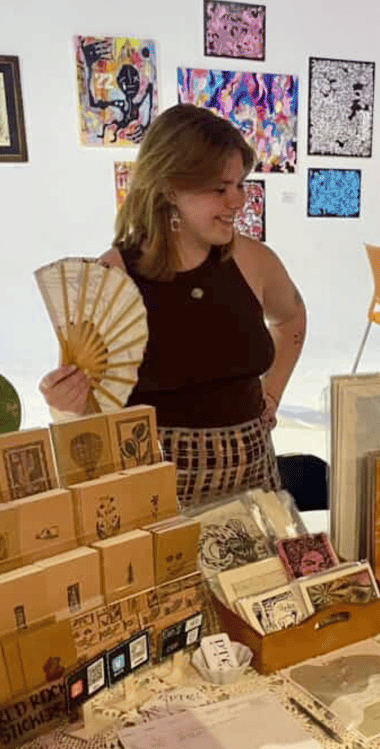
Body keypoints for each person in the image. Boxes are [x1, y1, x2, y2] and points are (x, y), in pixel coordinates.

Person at [39, 104, 307, 507]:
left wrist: (272, 395)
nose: (238, 200)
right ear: (168, 188)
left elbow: (290, 318)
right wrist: (65, 407)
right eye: (220, 188)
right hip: (158, 492)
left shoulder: (253, 260)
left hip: (255, 486)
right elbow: (90, 410)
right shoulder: (111, 278)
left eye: (240, 184)